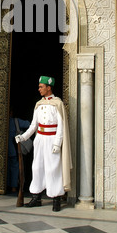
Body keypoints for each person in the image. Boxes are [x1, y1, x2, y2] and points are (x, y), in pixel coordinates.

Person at [15, 76, 72, 212]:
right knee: (37, 167)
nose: (39, 89)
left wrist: (57, 143)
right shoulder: (38, 104)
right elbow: (34, 125)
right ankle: (36, 197)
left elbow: (61, 126)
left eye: (41, 86)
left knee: (53, 169)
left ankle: (56, 198)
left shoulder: (57, 104)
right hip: (40, 139)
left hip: (52, 139)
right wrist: (23, 137)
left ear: (48, 87)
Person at [7, 110, 30, 193]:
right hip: (12, 149)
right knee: (14, 167)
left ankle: (5, 186)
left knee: (7, 167)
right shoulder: (14, 121)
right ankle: (13, 187)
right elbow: (28, 124)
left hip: (5, 149)